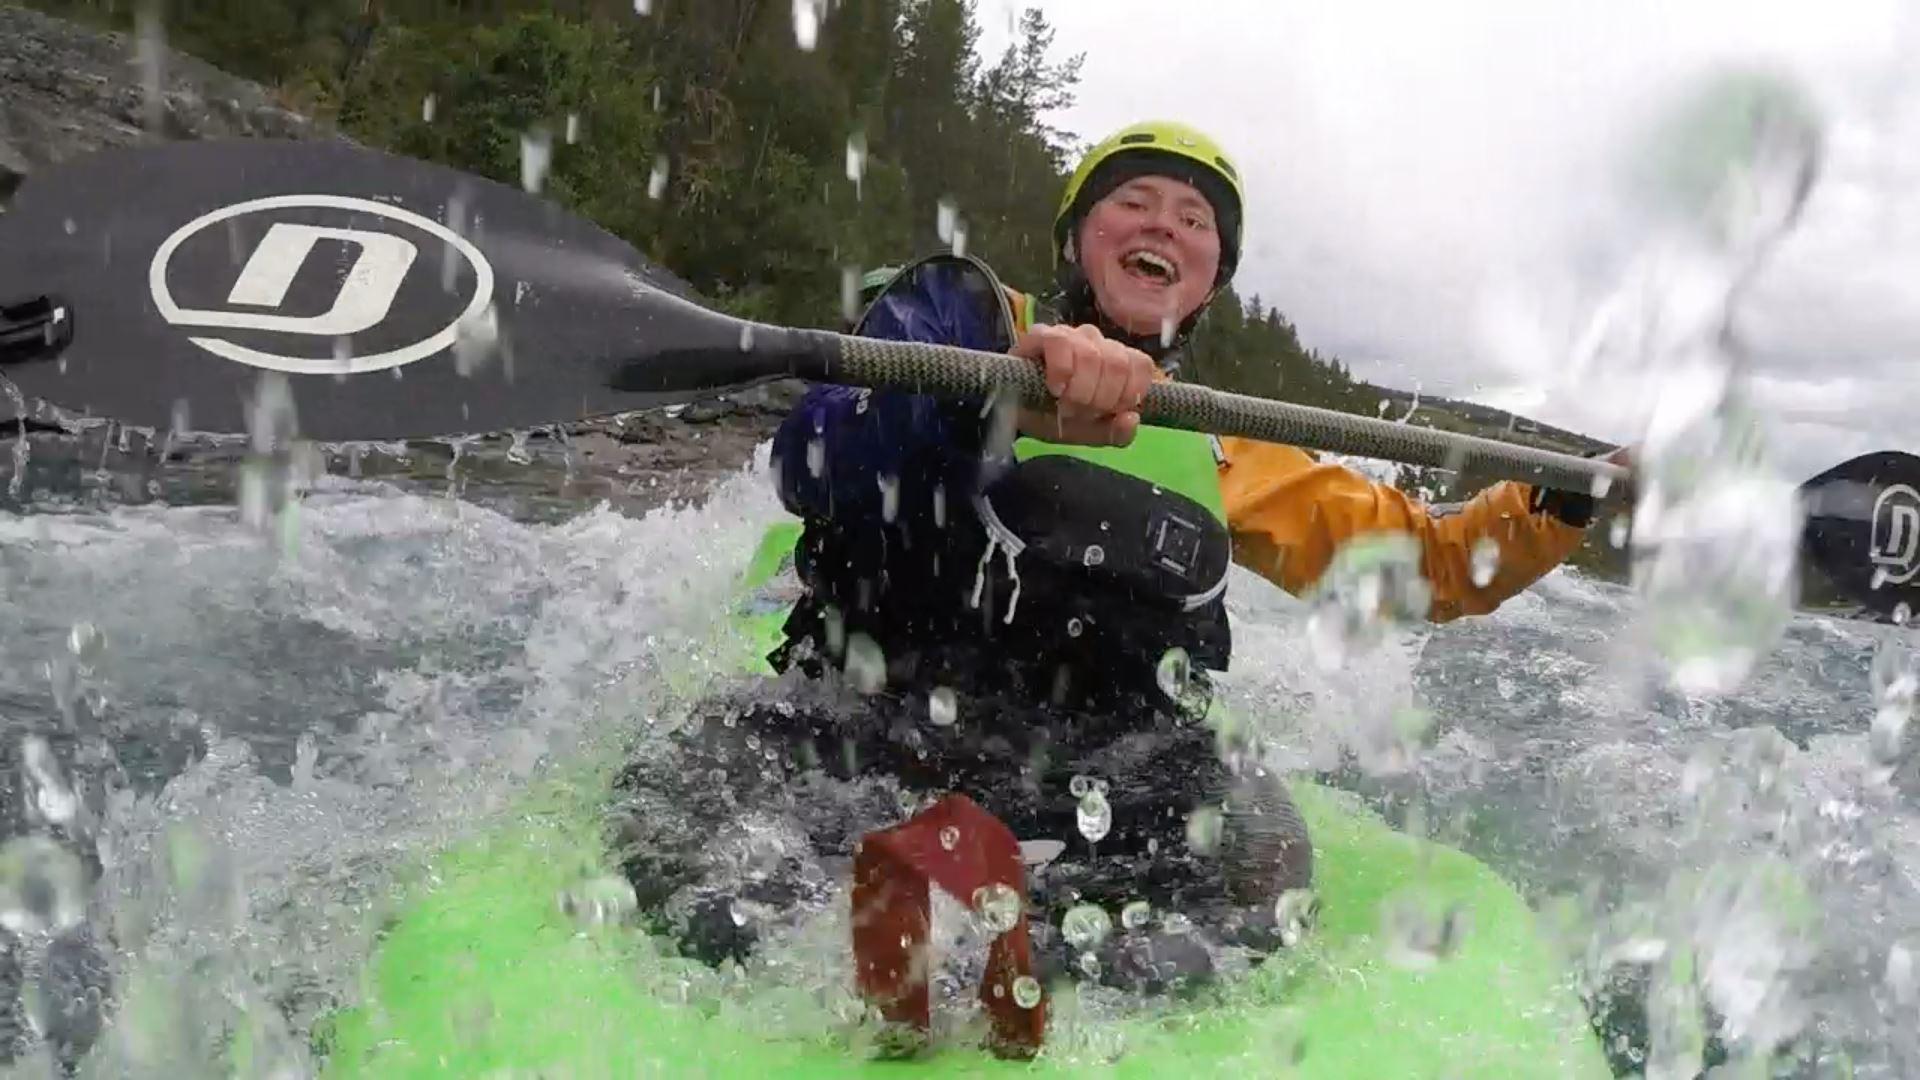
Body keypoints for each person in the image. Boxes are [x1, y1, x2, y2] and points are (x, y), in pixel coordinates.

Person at [614, 121, 1605, 995]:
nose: (1163, 225)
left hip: (1095, 763)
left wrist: (1560, 500)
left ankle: (1018, 969)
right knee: (690, 799)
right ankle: (853, 936)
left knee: (1253, 863)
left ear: (1214, 276)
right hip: (878, 706)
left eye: (1194, 220)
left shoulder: (1233, 450)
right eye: (1133, 202)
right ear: (1077, 239)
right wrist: (993, 401)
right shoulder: (962, 322)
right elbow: (811, 456)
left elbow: (1427, 568)